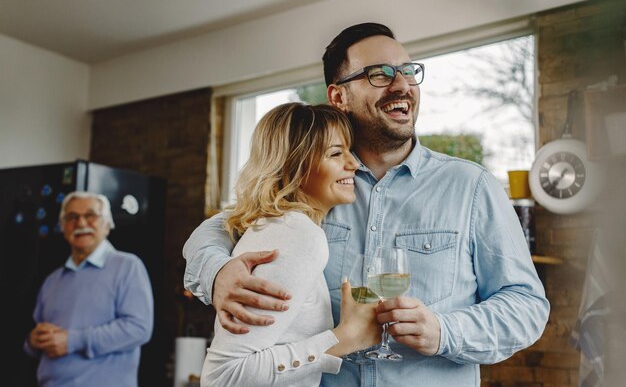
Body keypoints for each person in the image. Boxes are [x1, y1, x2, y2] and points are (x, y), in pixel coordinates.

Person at [183, 23, 550, 387]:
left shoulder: (471, 186)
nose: (403, 85)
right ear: (338, 97)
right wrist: (216, 272)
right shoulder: (312, 185)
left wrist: (444, 331)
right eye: (380, 74)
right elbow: (219, 228)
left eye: (408, 71)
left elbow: (527, 306)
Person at [200, 103, 380, 387]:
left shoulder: (280, 227)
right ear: (294, 166)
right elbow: (224, 376)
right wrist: (343, 339)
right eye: (336, 153)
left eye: (349, 151)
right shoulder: (297, 233)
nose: (354, 164)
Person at [24, 191, 153, 387]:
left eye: (90, 215)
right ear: (63, 227)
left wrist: (72, 340)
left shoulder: (127, 266)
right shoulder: (52, 280)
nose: (81, 223)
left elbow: (139, 329)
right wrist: (32, 341)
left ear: (107, 225)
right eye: (72, 217)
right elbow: (36, 340)